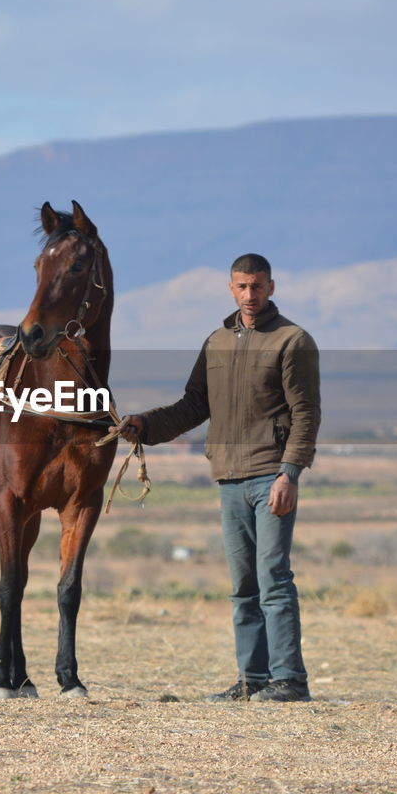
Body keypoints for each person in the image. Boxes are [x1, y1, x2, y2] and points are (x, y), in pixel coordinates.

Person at [117, 253, 321, 702]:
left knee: (273, 576)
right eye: (242, 287)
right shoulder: (216, 342)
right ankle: (254, 680)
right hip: (228, 476)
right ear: (231, 289)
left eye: (258, 286)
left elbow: (306, 413)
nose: (250, 295)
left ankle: (289, 679)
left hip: (271, 473)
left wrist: (290, 472)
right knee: (242, 585)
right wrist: (146, 426)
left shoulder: (293, 340)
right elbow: (193, 405)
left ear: (272, 286)